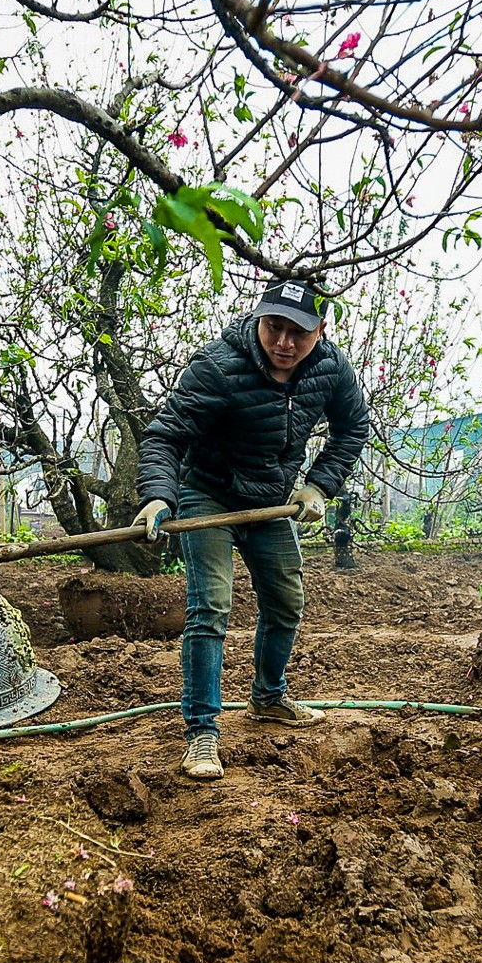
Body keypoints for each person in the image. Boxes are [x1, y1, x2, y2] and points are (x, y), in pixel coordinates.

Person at [132, 278, 371, 780]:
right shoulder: (218, 366)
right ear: (259, 320)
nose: (284, 342)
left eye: (298, 333)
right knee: (211, 605)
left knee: (286, 599)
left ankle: (269, 697)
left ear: (321, 331)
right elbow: (165, 436)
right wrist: (158, 495)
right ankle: (202, 731)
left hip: (270, 503)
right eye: (274, 327)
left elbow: (353, 427)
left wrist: (318, 487)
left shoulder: (331, 369)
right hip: (208, 495)